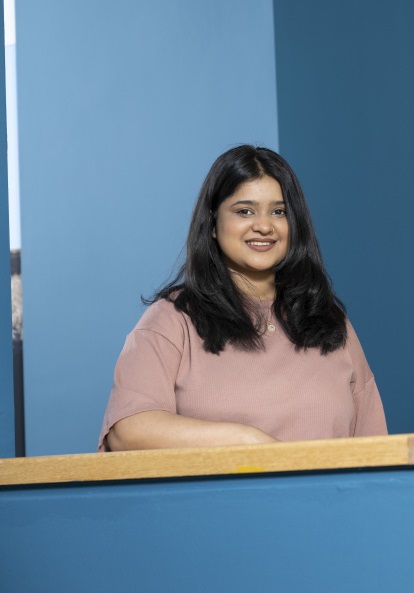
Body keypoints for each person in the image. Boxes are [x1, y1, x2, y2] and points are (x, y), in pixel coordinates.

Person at [99, 145, 386, 451]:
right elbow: (128, 431)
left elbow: (376, 450)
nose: (264, 226)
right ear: (212, 224)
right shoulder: (171, 320)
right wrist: (248, 441)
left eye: (279, 212)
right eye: (244, 211)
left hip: (331, 500)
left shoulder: (330, 322)